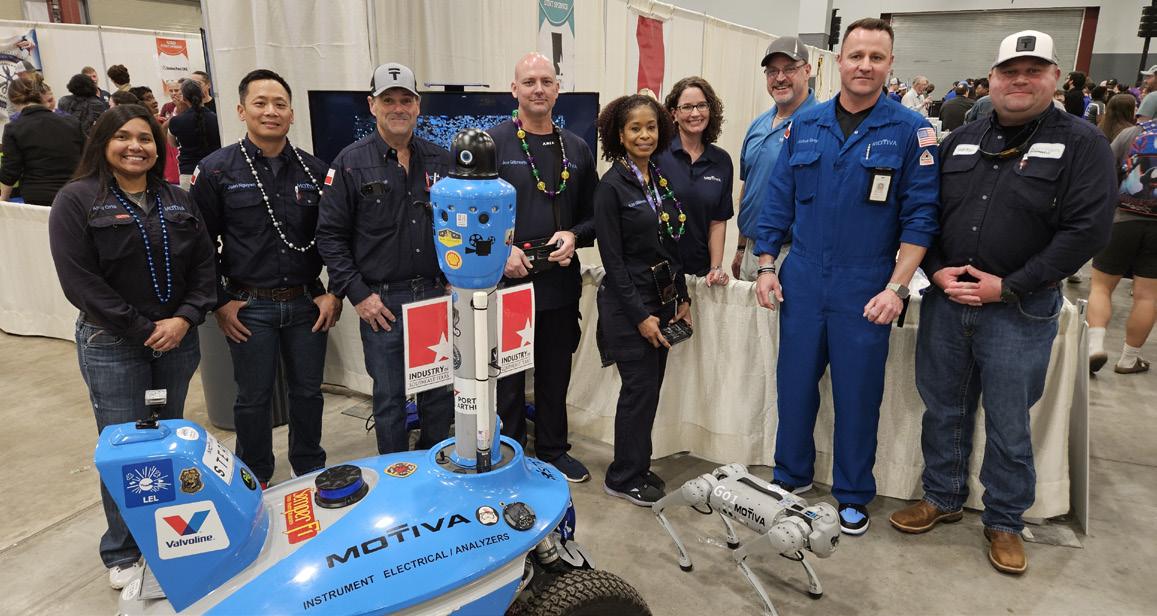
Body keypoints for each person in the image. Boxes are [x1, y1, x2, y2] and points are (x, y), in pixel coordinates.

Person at [889, 30, 1115, 575]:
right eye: (1010, 71)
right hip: (947, 301)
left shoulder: (1083, 144)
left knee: (1010, 421)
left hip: (1020, 308)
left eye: (1033, 71)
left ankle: (1005, 520)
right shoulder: (960, 140)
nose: (1020, 81)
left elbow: (1086, 231)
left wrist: (1009, 285)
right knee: (943, 408)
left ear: (1055, 78)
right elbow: (925, 212)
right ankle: (942, 495)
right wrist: (934, 267)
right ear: (992, 79)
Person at [752, 18, 940, 535]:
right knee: (794, 386)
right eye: (856, 55)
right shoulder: (805, 124)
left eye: (876, 57)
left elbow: (921, 217)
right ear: (838, 61)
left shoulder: (911, 131)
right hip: (803, 276)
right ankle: (791, 475)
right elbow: (778, 202)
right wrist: (766, 265)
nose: (865, 65)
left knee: (858, 395)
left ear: (890, 64)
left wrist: (897, 287)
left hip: (867, 282)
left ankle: (853, 492)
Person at [47, 104, 216, 590]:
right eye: (123, 137)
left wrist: (184, 318)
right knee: (125, 447)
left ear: (158, 148)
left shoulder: (179, 199)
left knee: (165, 441)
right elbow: (80, 282)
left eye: (145, 138)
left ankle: (168, 538)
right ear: (103, 142)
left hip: (177, 341)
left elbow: (205, 267)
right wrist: (143, 328)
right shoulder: (77, 200)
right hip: (113, 343)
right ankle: (123, 549)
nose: (135, 147)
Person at [192, 69, 340, 488]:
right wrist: (220, 302)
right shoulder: (216, 171)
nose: (271, 111)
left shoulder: (316, 171)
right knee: (252, 398)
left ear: (292, 114)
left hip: (306, 303)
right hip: (247, 306)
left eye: (280, 104)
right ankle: (254, 476)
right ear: (242, 111)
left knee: (308, 393)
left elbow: (338, 237)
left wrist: (334, 293)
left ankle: (308, 468)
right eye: (260, 103)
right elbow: (199, 246)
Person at [316, 62, 453, 454]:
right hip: (381, 303)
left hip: (434, 295)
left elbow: (456, 227)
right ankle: (396, 472)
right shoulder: (349, 163)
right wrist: (359, 295)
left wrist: (453, 279)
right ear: (372, 105)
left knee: (438, 394)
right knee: (390, 398)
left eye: (406, 100)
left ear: (418, 106)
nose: (398, 108)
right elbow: (330, 237)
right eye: (388, 100)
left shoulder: (441, 161)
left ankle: (433, 466)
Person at [486, 53, 597, 482]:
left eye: (546, 81)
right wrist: (501, 251)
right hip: (507, 284)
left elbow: (593, 217)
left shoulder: (577, 148)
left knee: (555, 372)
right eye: (529, 81)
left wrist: (574, 236)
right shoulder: (492, 144)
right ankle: (511, 453)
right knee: (509, 379)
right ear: (514, 89)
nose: (538, 89)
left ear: (557, 89)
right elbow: (471, 214)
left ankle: (553, 450)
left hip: (559, 284)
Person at [593, 93, 691, 506]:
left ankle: (637, 463)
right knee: (638, 391)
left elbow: (671, 244)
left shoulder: (659, 181)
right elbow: (612, 262)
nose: (644, 135)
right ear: (620, 134)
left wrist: (682, 297)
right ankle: (622, 476)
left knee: (650, 391)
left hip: (662, 299)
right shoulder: (611, 187)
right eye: (635, 128)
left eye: (651, 127)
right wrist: (640, 316)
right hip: (628, 306)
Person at [733, 36, 817, 281]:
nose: (779, 78)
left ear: (807, 71)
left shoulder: (820, 125)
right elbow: (749, 187)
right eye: (772, 71)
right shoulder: (758, 125)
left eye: (789, 69)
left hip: (791, 254)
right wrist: (741, 246)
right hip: (752, 248)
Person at [1087, 108, 1157, 374]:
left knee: (1101, 287)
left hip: (1122, 218)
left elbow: (1105, 172)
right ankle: (1129, 359)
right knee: (1147, 296)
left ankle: (1094, 346)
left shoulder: (1132, 134)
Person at [656, 76, 733, 283]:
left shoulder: (722, 161)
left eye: (701, 105)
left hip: (701, 276)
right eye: (687, 107)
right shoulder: (657, 155)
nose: (695, 113)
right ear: (674, 113)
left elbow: (718, 220)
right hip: (660, 273)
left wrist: (716, 267)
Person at [0, 76, 84, 205]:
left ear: (13, 101)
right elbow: (88, 156)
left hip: (39, 196)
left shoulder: (14, 128)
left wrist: (3, 201)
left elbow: (11, 170)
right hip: (75, 192)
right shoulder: (71, 122)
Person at [167, 79, 221, 189]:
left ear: (183, 98)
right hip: (215, 170)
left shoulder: (176, 121)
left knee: (190, 200)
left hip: (189, 172)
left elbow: (172, 144)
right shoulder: (216, 119)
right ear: (202, 95)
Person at [58, 72, 110, 136]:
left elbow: (61, 122)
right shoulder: (97, 104)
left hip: (68, 136)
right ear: (91, 85)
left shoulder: (64, 100)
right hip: (89, 137)